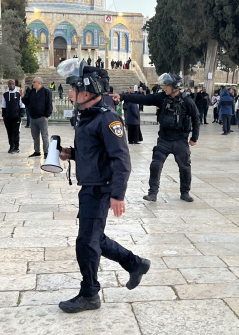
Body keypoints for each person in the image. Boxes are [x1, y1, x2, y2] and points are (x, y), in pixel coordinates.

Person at [56, 58, 150, 313]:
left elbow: (121, 160)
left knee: (86, 242)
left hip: (101, 189)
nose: (71, 94)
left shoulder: (109, 120)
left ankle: (90, 294)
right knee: (95, 238)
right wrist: (69, 153)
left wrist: (117, 195)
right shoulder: (87, 116)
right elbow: (92, 152)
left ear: (88, 92)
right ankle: (135, 264)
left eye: (74, 90)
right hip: (90, 186)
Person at [112, 73, 199, 203]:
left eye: (167, 85)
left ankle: (185, 192)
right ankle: (152, 193)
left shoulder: (187, 101)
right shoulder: (161, 98)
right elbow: (143, 99)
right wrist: (123, 96)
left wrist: (194, 138)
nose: (165, 87)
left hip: (180, 140)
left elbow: (196, 118)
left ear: (175, 87)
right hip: (164, 140)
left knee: (185, 167)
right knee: (155, 165)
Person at [22, 77, 52, 157]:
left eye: (34, 82)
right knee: (35, 136)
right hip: (33, 117)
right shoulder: (31, 92)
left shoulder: (46, 92)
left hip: (42, 117)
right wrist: (23, 96)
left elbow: (49, 104)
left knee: (44, 135)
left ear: (39, 83)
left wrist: (47, 115)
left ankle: (46, 152)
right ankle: (37, 151)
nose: (33, 83)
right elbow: (26, 102)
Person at [1, 80, 25, 154]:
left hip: (16, 117)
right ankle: (11, 146)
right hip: (8, 117)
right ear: (8, 85)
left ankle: (16, 147)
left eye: (12, 84)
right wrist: (4, 115)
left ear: (14, 85)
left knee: (16, 132)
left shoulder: (18, 94)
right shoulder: (5, 94)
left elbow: (22, 105)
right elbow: (3, 105)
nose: (11, 85)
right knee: (9, 132)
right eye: (10, 84)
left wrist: (20, 114)